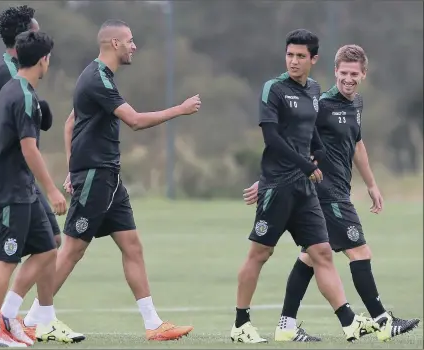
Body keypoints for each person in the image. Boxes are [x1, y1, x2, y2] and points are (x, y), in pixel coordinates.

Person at [23, 19, 200, 341]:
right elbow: (133, 120)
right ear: (114, 44)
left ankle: (153, 324)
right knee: (72, 250)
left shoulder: (98, 77)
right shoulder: (97, 79)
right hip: (96, 175)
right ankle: (34, 319)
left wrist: (71, 169)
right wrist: (181, 109)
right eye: (130, 41)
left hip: (108, 177)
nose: (134, 46)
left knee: (132, 245)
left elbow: (69, 124)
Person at [243, 44, 420, 342]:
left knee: (310, 258)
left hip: (339, 190)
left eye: (354, 73)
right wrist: (267, 181)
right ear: (335, 72)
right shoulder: (321, 104)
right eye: (343, 73)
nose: (348, 79)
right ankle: (382, 320)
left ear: (363, 74)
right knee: (359, 251)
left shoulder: (356, 104)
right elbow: (293, 140)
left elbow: (358, 145)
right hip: (325, 191)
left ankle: (286, 326)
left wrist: (372, 184)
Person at [230, 29, 382, 344]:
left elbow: (311, 134)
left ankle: (350, 323)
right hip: (279, 186)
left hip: (306, 189)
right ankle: (240, 324)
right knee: (260, 252)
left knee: (322, 253)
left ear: (313, 59)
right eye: (290, 55)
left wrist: (319, 155)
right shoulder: (273, 88)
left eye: (301, 56)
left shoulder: (312, 89)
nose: (294, 61)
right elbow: (272, 138)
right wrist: (306, 166)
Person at [0, 6, 83, 346]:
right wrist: (52, 189)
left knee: (47, 244)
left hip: (23, 181)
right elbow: (26, 144)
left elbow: (35, 118)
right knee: (3, 255)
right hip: (12, 182)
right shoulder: (9, 82)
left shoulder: (21, 84)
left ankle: (8, 316)